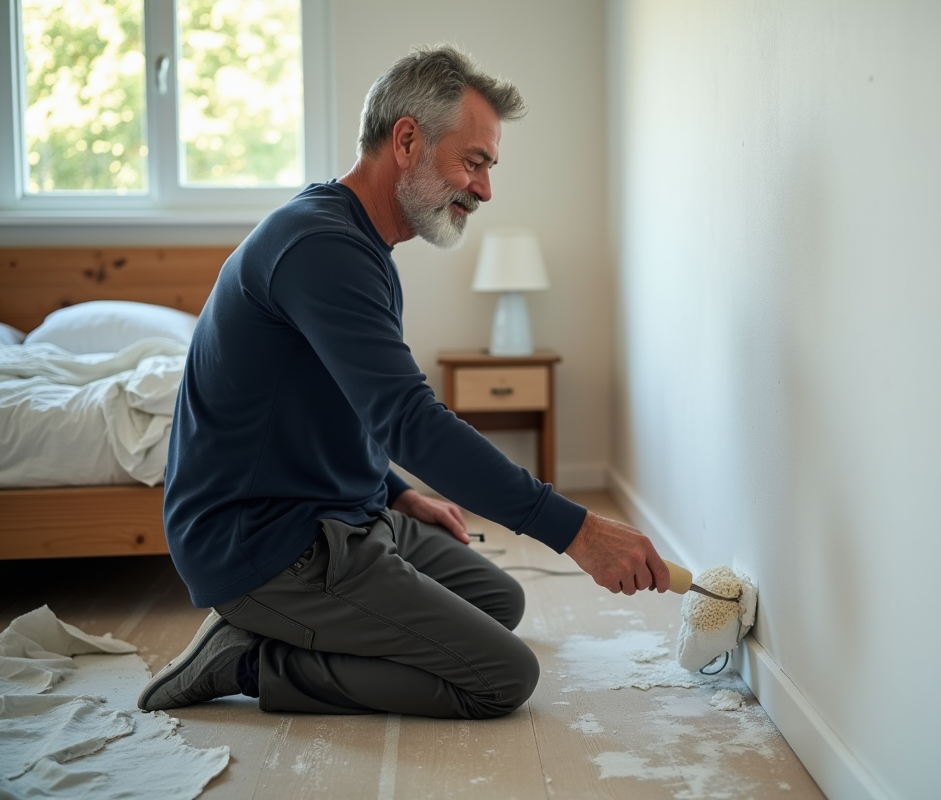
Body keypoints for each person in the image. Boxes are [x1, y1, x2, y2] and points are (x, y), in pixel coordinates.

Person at [139, 44, 669, 719]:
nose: (484, 189)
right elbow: (408, 421)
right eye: (473, 162)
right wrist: (578, 531)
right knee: (500, 677)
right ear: (408, 140)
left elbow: (340, 403)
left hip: (338, 514)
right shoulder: (319, 248)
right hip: (267, 544)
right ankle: (249, 657)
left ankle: (323, 609)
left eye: (488, 167)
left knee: (500, 601)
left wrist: (395, 492)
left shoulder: (361, 245)